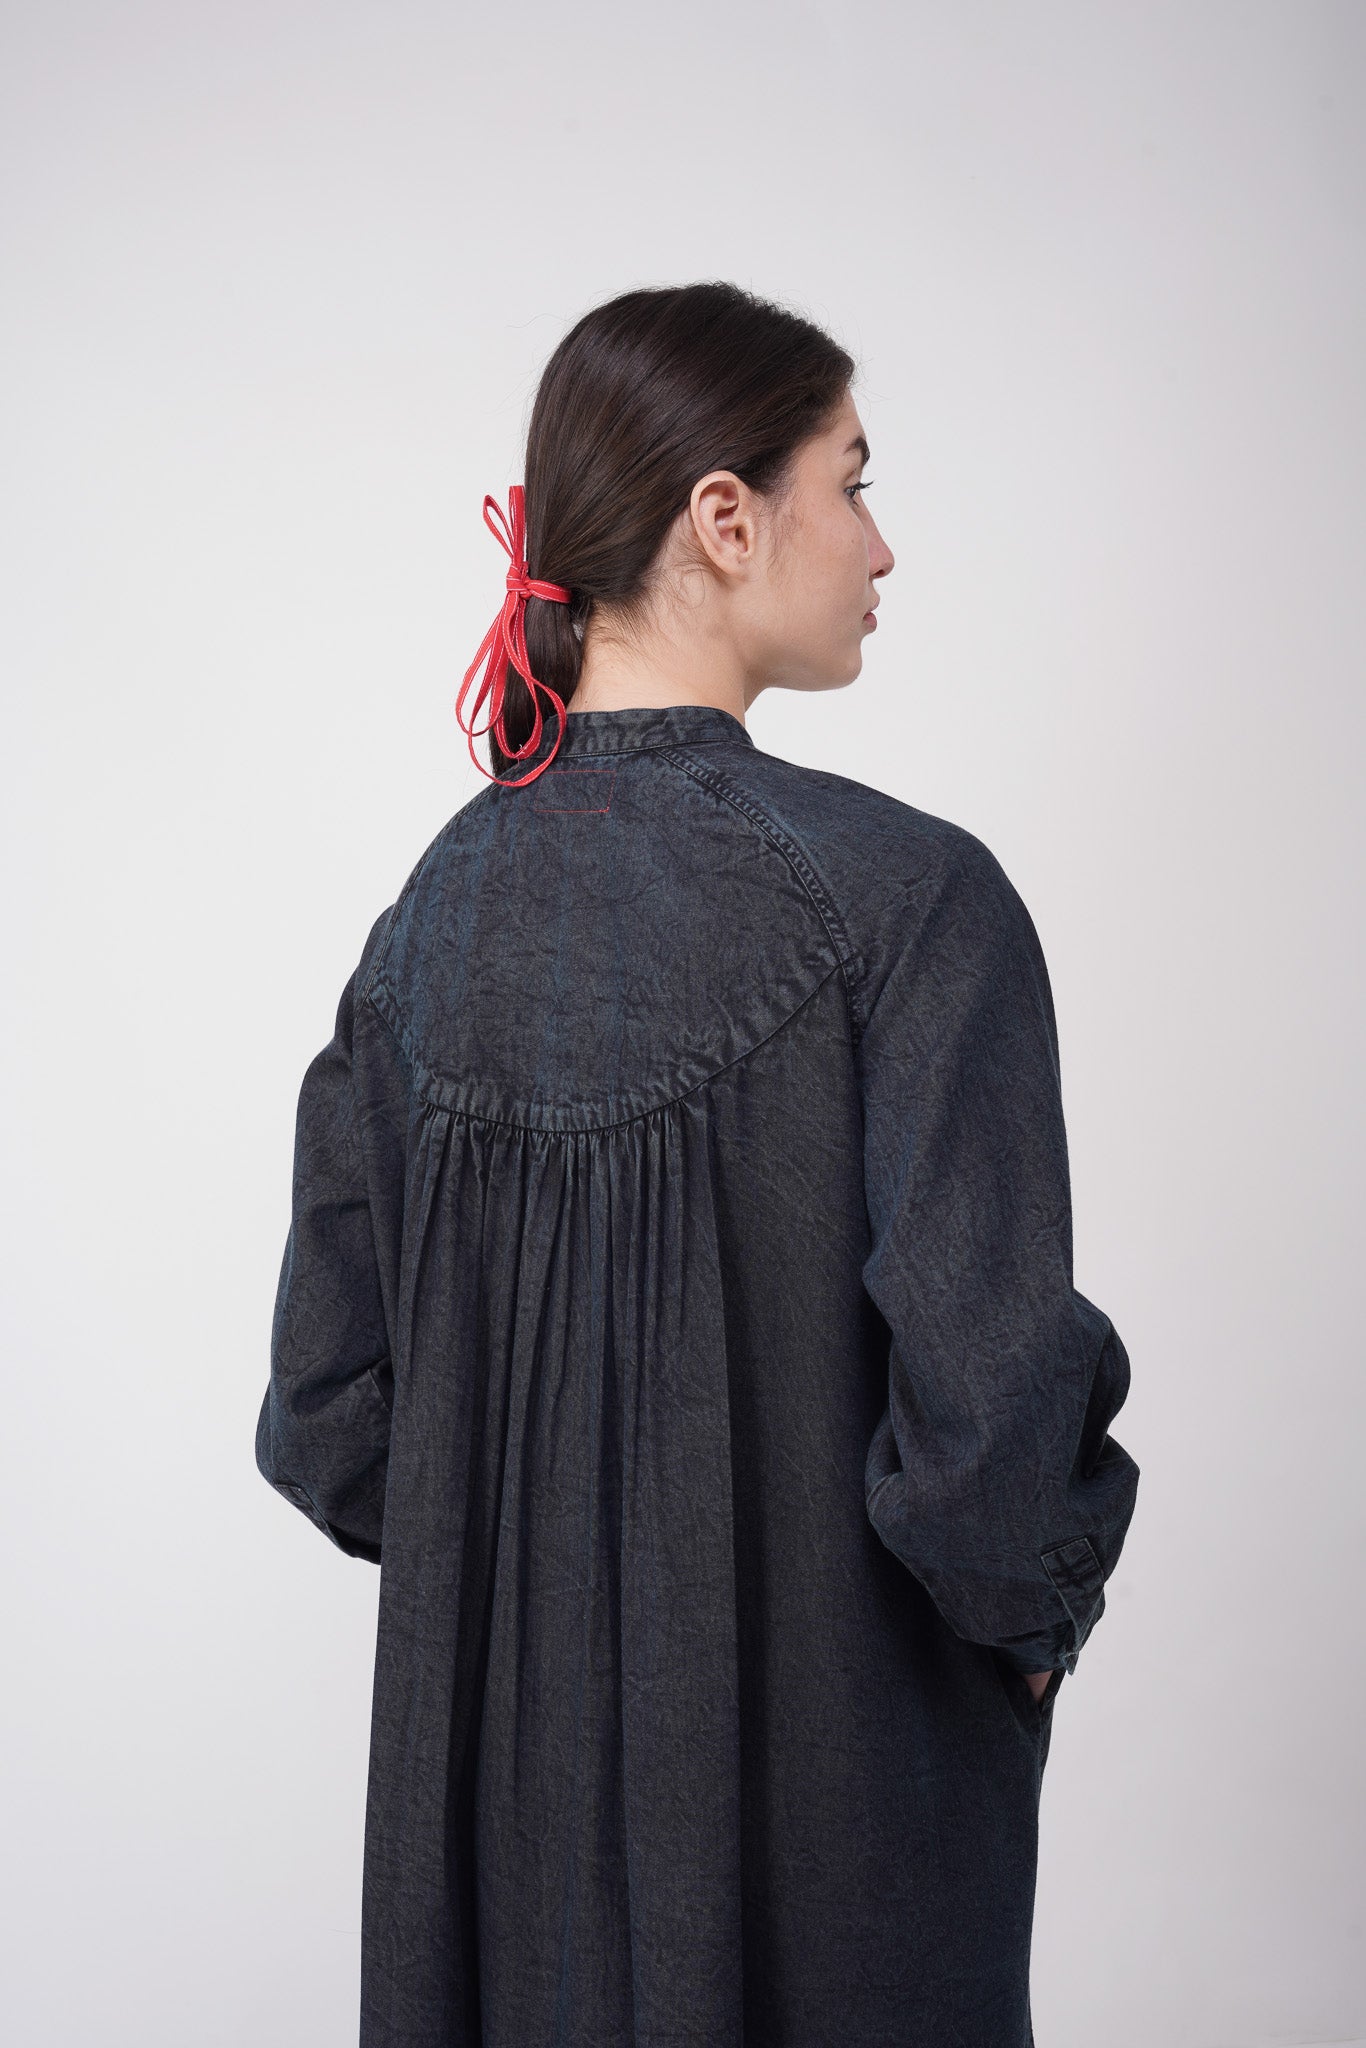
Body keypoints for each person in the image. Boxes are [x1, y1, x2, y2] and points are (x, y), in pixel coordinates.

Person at [255, 279, 1141, 2048]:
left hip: (500, 1869)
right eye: (853, 482)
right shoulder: (908, 903)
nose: (880, 546)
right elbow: (987, 1437)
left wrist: (539, 1572)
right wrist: (1029, 1618)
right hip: (841, 1839)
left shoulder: (419, 934)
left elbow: (328, 1415)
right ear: (725, 518)